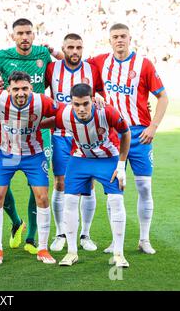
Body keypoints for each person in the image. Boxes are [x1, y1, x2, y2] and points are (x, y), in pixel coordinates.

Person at [0, 18, 62, 255]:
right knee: (0, 188)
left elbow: (66, 69)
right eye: (20, 33)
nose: (24, 37)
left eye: (28, 33)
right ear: (13, 36)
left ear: (34, 35)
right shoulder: (3, 56)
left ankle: (32, 238)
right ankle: (16, 221)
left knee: (37, 187)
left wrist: (55, 51)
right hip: (10, 132)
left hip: (38, 131)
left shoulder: (43, 55)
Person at [86, 23, 169, 254]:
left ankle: (144, 239)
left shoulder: (144, 64)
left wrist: (153, 126)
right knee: (114, 190)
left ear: (130, 38)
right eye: (115, 37)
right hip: (112, 136)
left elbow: (162, 97)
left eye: (123, 36)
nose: (119, 40)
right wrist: (95, 94)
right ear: (109, 40)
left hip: (141, 134)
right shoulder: (100, 61)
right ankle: (116, 241)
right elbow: (75, 64)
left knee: (144, 187)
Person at [54, 83, 131, 268]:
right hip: (80, 158)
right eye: (77, 104)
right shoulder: (64, 114)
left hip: (108, 158)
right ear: (71, 103)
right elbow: (50, 122)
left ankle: (118, 253)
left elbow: (126, 133)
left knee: (116, 201)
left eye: (86, 104)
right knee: (70, 200)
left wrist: (121, 165)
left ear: (93, 101)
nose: (81, 109)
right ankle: (71, 252)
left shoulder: (107, 111)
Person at [0, 71, 58, 265]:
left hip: (33, 155)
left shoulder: (42, 101)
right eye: (15, 89)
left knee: (42, 198)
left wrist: (44, 123)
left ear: (31, 88)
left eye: (24, 88)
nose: (20, 93)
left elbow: (63, 113)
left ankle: (42, 248)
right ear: (8, 89)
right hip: (6, 154)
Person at [44, 33, 103, 252]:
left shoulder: (92, 69)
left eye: (79, 47)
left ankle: (85, 234)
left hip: (87, 134)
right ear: (63, 48)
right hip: (60, 134)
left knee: (88, 184)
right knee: (60, 183)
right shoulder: (52, 69)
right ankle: (60, 233)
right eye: (70, 47)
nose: (75, 51)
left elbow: (103, 96)